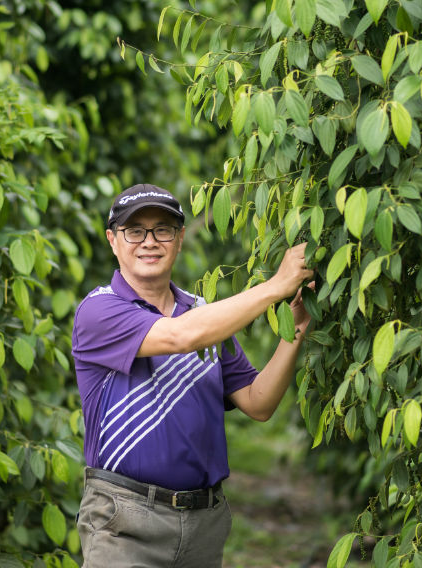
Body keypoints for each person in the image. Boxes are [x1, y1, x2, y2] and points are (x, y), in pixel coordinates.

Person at [71, 183, 315, 568]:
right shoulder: (98, 311)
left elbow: (259, 402)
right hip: (124, 522)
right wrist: (275, 287)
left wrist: (297, 328)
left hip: (204, 523)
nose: (149, 241)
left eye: (162, 229)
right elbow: (179, 336)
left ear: (179, 239)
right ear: (113, 241)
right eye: (135, 231)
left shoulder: (203, 316)